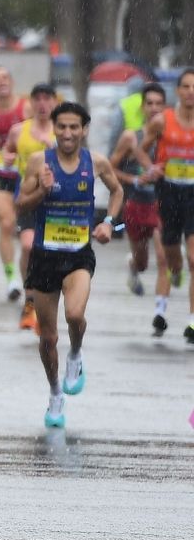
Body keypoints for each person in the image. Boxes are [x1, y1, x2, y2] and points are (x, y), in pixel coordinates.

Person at [15, 101, 122, 429]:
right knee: (47, 338)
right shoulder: (40, 162)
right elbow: (21, 203)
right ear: (54, 129)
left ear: (84, 130)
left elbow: (117, 191)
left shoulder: (96, 162)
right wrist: (42, 191)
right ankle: (55, 393)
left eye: (74, 127)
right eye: (61, 126)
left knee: (75, 315)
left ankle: (76, 354)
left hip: (78, 255)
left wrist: (109, 224)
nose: (67, 133)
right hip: (45, 257)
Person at [139, 67, 194, 343]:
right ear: (178, 91)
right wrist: (151, 167)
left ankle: (192, 322)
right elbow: (140, 146)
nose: (190, 92)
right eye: (185, 86)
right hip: (169, 192)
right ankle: (176, 271)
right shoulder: (163, 120)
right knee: (172, 256)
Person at [108, 83, 168, 317]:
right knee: (143, 261)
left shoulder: (173, 134)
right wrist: (134, 179)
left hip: (163, 204)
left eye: (159, 104)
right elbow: (109, 170)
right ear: (142, 107)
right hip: (137, 204)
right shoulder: (131, 137)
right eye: (149, 103)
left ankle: (159, 314)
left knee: (163, 257)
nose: (154, 108)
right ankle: (133, 267)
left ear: (165, 107)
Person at [3, 84, 60, 332]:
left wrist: (51, 145)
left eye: (47, 99)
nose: (42, 104)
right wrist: (6, 161)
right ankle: (29, 299)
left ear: (55, 103)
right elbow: (6, 155)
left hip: (55, 200)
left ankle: (46, 305)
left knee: (48, 253)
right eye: (37, 99)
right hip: (27, 196)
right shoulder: (19, 131)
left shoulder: (64, 133)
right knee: (28, 245)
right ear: (31, 102)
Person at [0, 66, 30, 300]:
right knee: (6, 222)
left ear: (11, 82)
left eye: (5, 78)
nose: (1, 82)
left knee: (26, 232)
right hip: (0, 174)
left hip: (25, 175)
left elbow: (36, 134)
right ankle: (11, 277)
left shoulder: (26, 107)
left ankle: (31, 278)